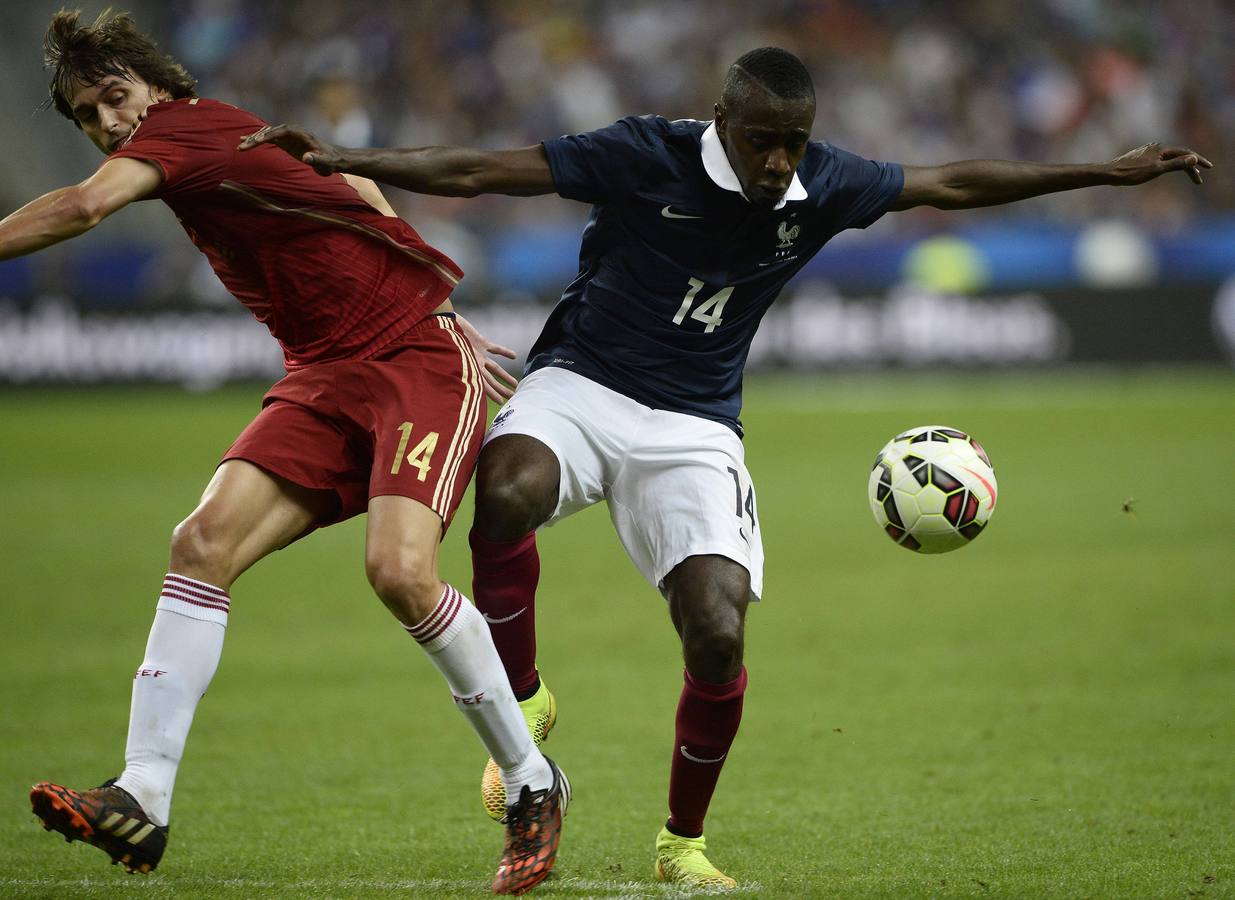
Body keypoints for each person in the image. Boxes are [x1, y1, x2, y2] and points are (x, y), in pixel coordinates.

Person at [243, 46, 1212, 890]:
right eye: (761, 141)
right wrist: (348, 159)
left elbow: (949, 183)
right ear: (723, 121)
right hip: (581, 380)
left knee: (714, 629)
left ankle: (681, 847)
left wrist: (1105, 171)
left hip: (696, 426)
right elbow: (489, 170)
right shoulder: (643, 153)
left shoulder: (822, 183)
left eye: (793, 140)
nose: (777, 160)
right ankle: (525, 693)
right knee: (506, 485)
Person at [5, 11, 568, 895]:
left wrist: (438, 315)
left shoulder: (181, 129)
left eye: (115, 98)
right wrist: (426, 278)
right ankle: (142, 797)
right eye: (87, 114)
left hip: (412, 359)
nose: (109, 124)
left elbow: (80, 207)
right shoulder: (206, 139)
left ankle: (532, 779)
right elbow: (354, 190)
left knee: (399, 573)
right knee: (200, 545)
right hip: (324, 373)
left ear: (160, 89)